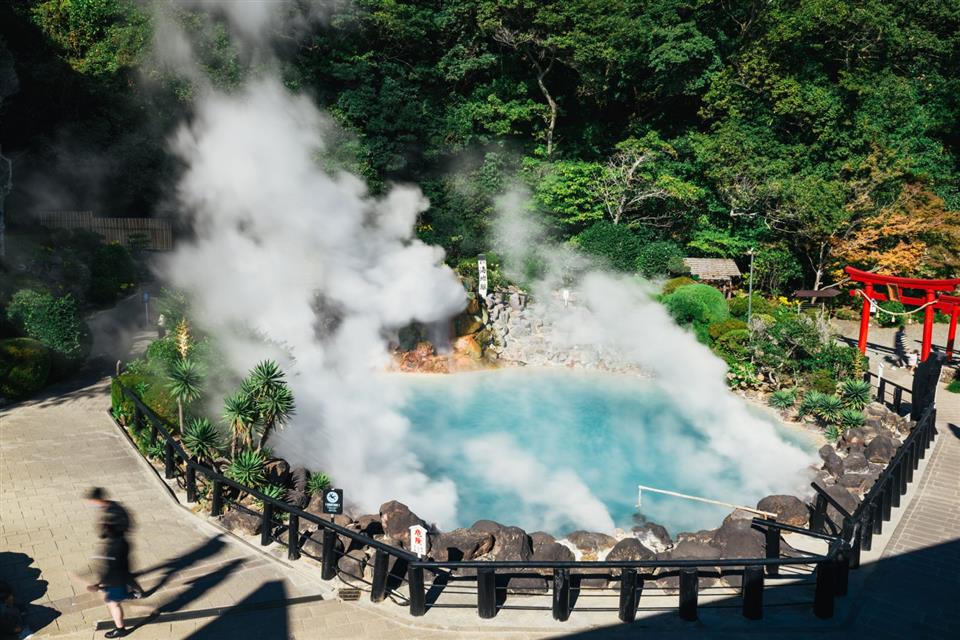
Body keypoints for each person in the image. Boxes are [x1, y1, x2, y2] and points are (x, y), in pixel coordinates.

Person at [84, 488, 143, 598]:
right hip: (114, 543)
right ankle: (105, 584)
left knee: (122, 572)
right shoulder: (110, 507)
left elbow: (125, 526)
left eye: (92, 500)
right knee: (119, 570)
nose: (91, 503)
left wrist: (108, 530)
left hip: (119, 545)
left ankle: (136, 591)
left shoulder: (113, 511)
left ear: (98, 499)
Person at [88, 523, 132, 638]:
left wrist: (98, 585)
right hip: (122, 578)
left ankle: (120, 629)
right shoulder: (123, 542)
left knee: (114, 605)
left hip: (116, 582)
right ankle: (134, 594)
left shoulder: (113, 550)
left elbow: (111, 571)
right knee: (115, 603)